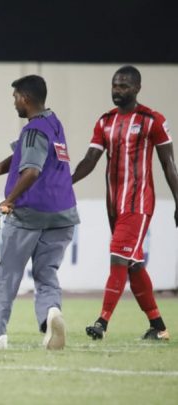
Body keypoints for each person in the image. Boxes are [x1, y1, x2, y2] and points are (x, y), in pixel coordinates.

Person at [0, 75, 79, 350]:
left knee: (7, 273)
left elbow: (30, 170)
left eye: (15, 98)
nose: (14, 103)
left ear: (26, 98)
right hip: (63, 214)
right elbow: (18, 158)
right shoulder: (53, 123)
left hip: (31, 213)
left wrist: (9, 200)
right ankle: (51, 314)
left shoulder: (33, 130)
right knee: (46, 273)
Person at [71, 65, 178, 341]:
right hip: (114, 205)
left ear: (137, 88)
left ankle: (102, 322)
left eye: (124, 86)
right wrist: (65, 183)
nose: (117, 90)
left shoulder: (152, 120)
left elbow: (168, 164)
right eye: (115, 85)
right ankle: (158, 327)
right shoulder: (105, 121)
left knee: (119, 256)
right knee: (134, 264)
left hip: (138, 203)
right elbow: (90, 160)